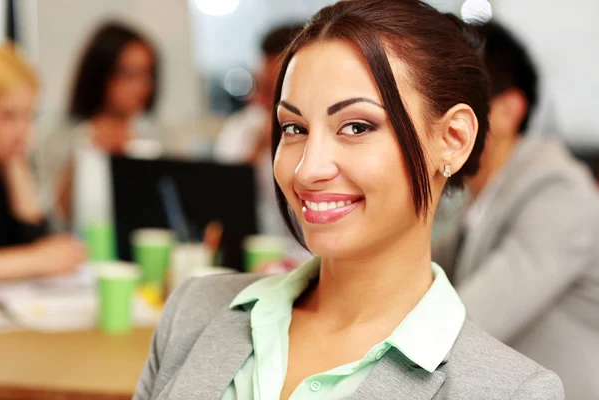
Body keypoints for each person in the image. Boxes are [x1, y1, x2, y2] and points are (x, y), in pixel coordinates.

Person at [134, 1, 563, 399]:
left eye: (356, 126)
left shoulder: (511, 391)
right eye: (294, 129)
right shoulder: (192, 311)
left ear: (452, 139)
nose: (307, 169)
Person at [432, 21, 599, 399]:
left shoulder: (558, 194)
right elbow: (422, 267)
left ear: (507, 111)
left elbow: (467, 325)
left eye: (446, 104)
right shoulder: (487, 191)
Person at [38, 22, 160, 233]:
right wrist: (83, 154)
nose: (141, 86)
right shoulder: (61, 137)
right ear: (101, 74)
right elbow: (52, 219)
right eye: (129, 74)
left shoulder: (158, 137)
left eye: (147, 74)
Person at [0, 44, 86, 281]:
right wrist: (35, 260)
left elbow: (36, 241)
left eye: (29, 116)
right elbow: (38, 255)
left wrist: (17, 170)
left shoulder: (9, 162)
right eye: (8, 115)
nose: (23, 130)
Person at [214, 23, 304, 237]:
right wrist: (259, 147)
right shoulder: (241, 128)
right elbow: (221, 197)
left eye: (276, 89)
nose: (262, 100)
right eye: (261, 86)